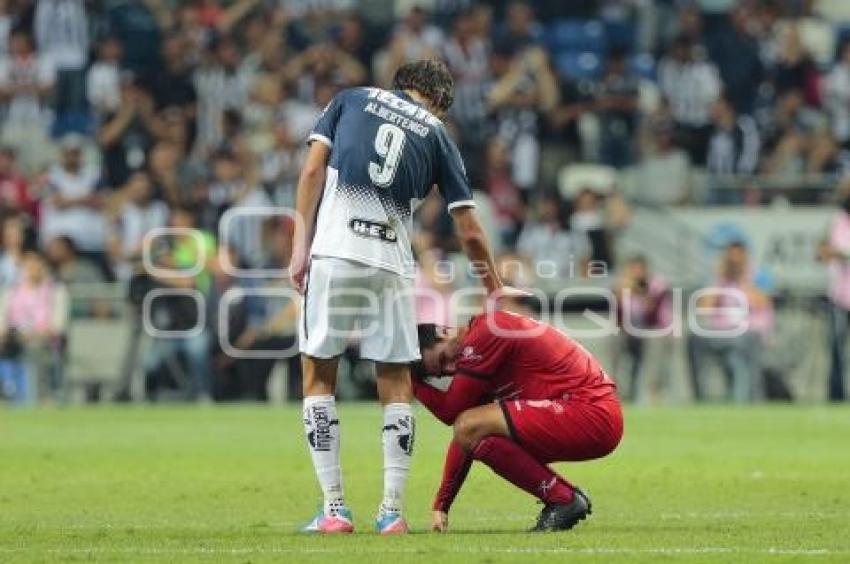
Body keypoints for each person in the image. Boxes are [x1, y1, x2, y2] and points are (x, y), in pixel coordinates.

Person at [289, 59, 508, 535]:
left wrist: (299, 246)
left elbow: (311, 173)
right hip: (391, 262)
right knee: (395, 383)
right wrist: (495, 288)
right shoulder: (436, 134)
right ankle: (391, 513)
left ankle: (335, 510)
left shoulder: (350, 99)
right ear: (440, 103)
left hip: (335, 251)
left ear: (401, 86)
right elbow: (468, 228)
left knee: (318, 376)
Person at [412, 310, 623, 532]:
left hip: (589, 410)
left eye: (443, 359)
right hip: (589, 412)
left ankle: (563, 500)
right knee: (479, 434)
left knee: (470, 424)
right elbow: (465, 436)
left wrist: (408, 381)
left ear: (443, 332)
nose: (451, 369)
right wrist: (441, 505)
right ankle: (563, 497)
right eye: (443, 374)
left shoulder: (484, 336)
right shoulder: (481, 349)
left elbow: (451, 413)